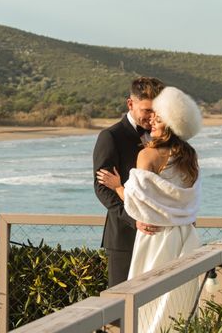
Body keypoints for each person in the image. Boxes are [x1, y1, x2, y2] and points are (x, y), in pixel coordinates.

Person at [97, 86, 203, 332]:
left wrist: (117, 186)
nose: (151, 124)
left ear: (168, 125)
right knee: (178, 301)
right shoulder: (190, 155)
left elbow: (138, 203)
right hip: (185, 236)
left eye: (156, 120)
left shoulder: (148, 155)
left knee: (146, 301)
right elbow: (187, 201)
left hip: (154, 237)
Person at [93, 76, 165, 288]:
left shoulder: (161, 135)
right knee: (121, 303)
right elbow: (101, 188)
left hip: (158, 236)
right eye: (146, 110)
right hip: (124, 238)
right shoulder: (110, 136)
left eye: (155, 111)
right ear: (130, 104)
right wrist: (134, 221)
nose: (151, 117)